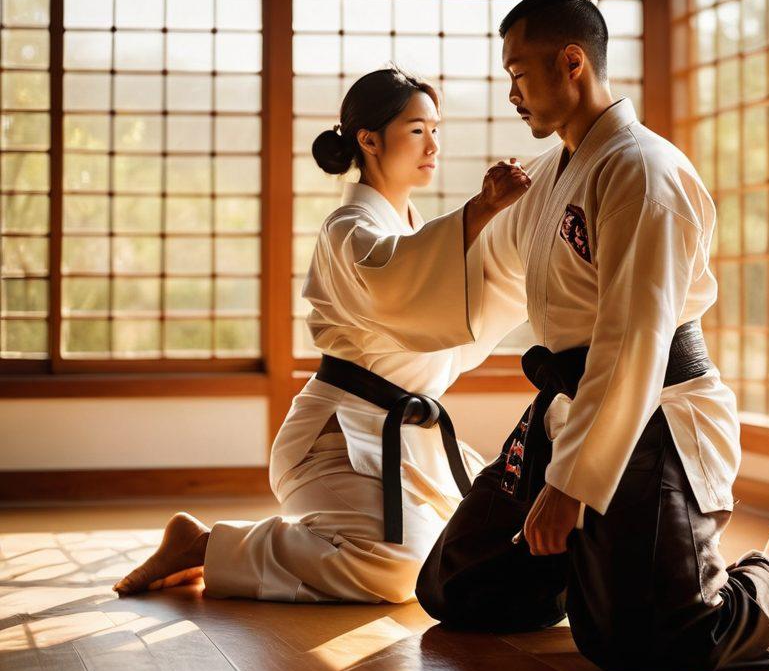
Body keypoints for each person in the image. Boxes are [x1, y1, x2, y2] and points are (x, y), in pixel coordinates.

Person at [416, 0, 769, 671]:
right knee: (458, 586)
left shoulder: (644, 171)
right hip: (570, 405)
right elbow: (488, 277)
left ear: (572, 62)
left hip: (653, 413)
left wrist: (571, 485)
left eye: (519, 74)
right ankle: (607, 567)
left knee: (654, 638)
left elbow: (635, 340)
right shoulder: (555, 171)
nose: (513, 94)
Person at [114, 65, 530, 603]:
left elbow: (460, 297)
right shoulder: (349, 229)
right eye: (417, 129)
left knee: (473, 536)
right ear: (369, 139)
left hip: (403, 441)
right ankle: (208, 544)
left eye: (437, 129)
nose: (433, 144)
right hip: (334, 440)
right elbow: (400, 279)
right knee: (398, 565)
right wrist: (480, 211)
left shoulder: (410, 228)